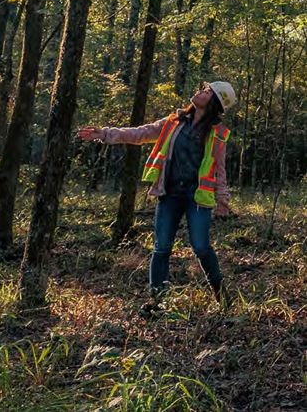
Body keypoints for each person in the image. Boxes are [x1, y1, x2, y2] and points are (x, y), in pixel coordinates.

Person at [77, 81, 236, 311]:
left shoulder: (216, 134)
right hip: (169, 194)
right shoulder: (173, 122)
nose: (200, 90)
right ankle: (157, 301)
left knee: (201, 247)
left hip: (197, 198)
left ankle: (222, 296)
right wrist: (105, 133)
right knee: (161, 247)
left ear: (213, 101)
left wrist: (222, 200)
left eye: (206, 90)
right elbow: (141, 133)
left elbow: (219, 170)